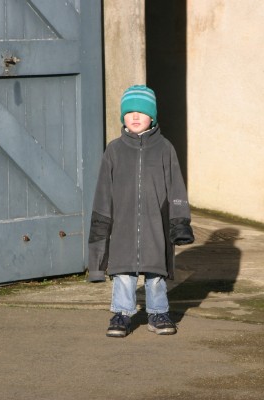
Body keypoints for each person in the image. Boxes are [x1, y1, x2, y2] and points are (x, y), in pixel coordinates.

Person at [87, 84, 194, 338]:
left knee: (155, 273)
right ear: (122, 116)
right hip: (122, 227)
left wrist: (180, 222)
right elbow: (103, 194)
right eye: (130, 111)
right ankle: (122, 314)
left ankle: (158, 313)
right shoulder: (114, 150)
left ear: (152, 117)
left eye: (142, 112)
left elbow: (176, 188)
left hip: (155, 225)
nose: (135, 116)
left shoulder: (165, 149)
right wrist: (99, 241)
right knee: (123, 272)